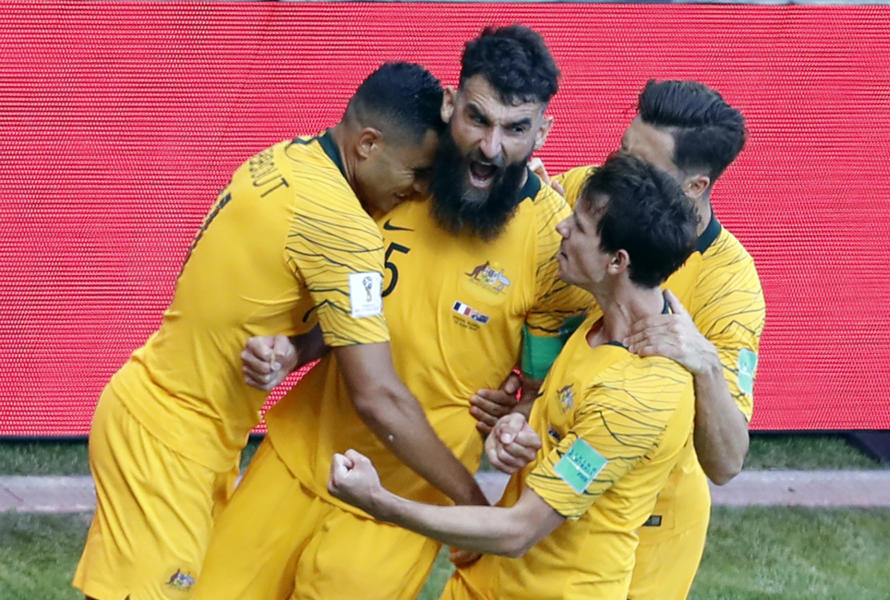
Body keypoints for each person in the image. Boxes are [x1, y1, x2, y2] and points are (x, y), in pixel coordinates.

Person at [193, 25, 594, 600]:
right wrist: (296, 348)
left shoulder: (551, 244)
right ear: (450, 105)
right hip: (301, 450)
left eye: (515, 129)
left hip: (404, 500)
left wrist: (521, 405)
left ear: (543, 131)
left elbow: (561, 359)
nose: (491, 147)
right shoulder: (396, 183)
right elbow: (356, 309)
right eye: (478, 119)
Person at [71, 62, 486, 600]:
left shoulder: (286, 157)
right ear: (368, 144)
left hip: (165, 420)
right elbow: (379, 396)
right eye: (418, 174)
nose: (422, 192)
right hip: (169, 444)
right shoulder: (342, 227)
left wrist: (295, 348)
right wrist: (469, 500)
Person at [329, 153, 700, 600]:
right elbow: (564, 415)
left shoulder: (641, 395)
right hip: (486, 583)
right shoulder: (601, 323)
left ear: (617, 261)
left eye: (578, 226)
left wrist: (378, 501)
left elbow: (519, 530)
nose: (561, 228)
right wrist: (518, 421)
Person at [491, 79, 766, 598]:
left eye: (641, 164)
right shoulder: (585, 197)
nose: (616, 170)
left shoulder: (730, 287)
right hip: (544, 494)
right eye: (621, 150)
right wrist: (515, 400)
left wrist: (704, 364)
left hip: (649, 534)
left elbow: (727, 462)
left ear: (694, 188)